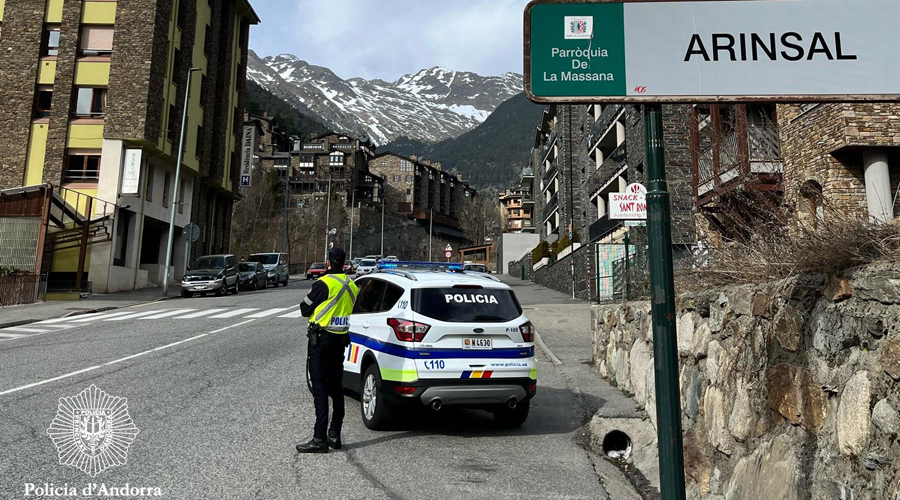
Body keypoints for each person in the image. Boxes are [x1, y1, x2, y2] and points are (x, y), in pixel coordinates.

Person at [296, 247, 359, 454]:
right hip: (340, 340)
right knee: (336, 388)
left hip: (321, 341)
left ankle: (319, 438)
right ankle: (335, 434)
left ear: (329, 263)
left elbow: (304, 309)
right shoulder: (352, 285)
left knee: (320, 390)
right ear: (345, 263)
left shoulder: (323, 284)